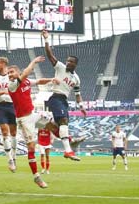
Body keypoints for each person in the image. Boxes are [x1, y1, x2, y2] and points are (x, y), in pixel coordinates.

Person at [7, 56, 54, 188]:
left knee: (51, 123)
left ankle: (69, 143)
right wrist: (33, 61)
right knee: (31, 147)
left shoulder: (26, 81)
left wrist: (52, 80)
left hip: (33, 115)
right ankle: (36, 177)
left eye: (11, 72)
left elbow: (39, 81)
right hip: (24, 120)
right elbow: (26, 73)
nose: (9, 75)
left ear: (17, 72)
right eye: (8, 73)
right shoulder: (11, 85)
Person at [43, 29, 86, 161]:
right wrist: (46, 39)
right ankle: (68, 150)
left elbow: (77, 93)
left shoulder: (76, 79)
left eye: (70, 61)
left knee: (57, 126)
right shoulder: (60, 67)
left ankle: (69, 143)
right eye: (67, 60)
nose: (68, 62)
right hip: (56, 98)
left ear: (75, 64)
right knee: (64, 121)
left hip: (64, 101)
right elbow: (50, 55)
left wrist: (81, 106)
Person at [0, 56, 18, 172]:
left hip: (12, 105)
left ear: (3, 64)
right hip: (0, 105)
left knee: (14, 133)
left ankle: (14, 156)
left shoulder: (11, 75)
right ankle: (10, 159)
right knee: (4, 132)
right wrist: (4, 91)